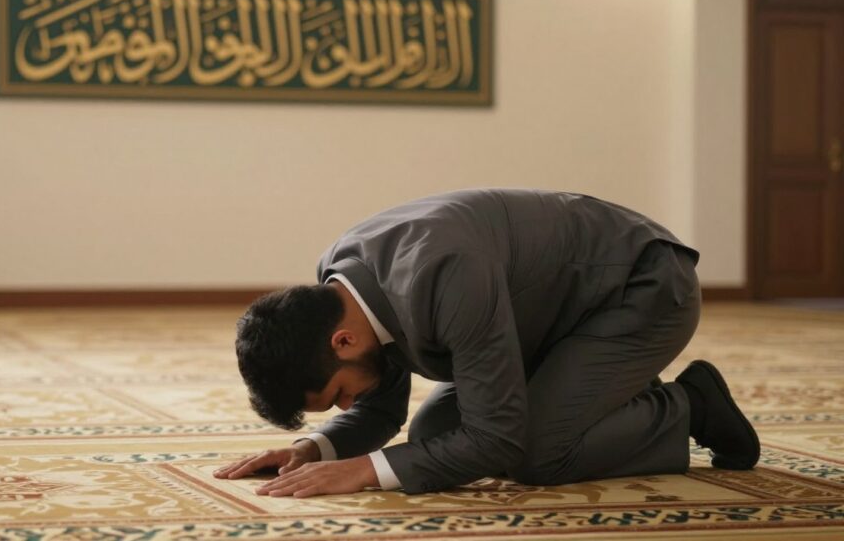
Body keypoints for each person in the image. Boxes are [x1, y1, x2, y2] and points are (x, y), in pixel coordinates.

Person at [214, 188, 760, 498]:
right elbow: (382, 408)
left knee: (536, 450)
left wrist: (362, 470)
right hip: (547, 319)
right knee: (433, 433)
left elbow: (497, 440)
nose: (346, 406)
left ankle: (687, 406)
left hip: (641, 289)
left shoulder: (443, 276)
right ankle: (601, 388)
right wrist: (317, 450)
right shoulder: (343, 286)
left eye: (336, 395)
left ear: (342, 339)